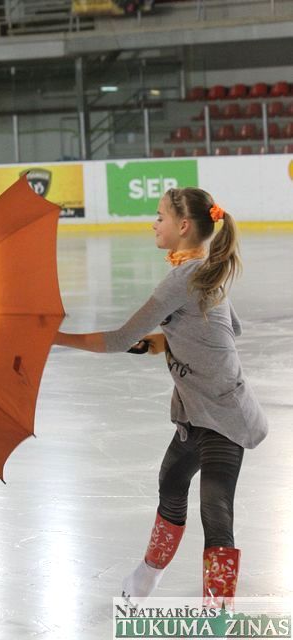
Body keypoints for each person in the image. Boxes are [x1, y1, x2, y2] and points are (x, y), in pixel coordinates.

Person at [54, 187, 268, 607]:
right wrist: (167, 341)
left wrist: (55, 338)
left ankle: (216, 616)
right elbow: (228, 329)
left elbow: (119, 339)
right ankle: (147, 576)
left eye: (159, 217)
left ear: (183, 226)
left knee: (215, 511)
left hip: (224, 418)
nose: (153, 224)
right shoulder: (205, 268)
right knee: (171, 483)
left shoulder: (182, 279)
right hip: (194, 413)